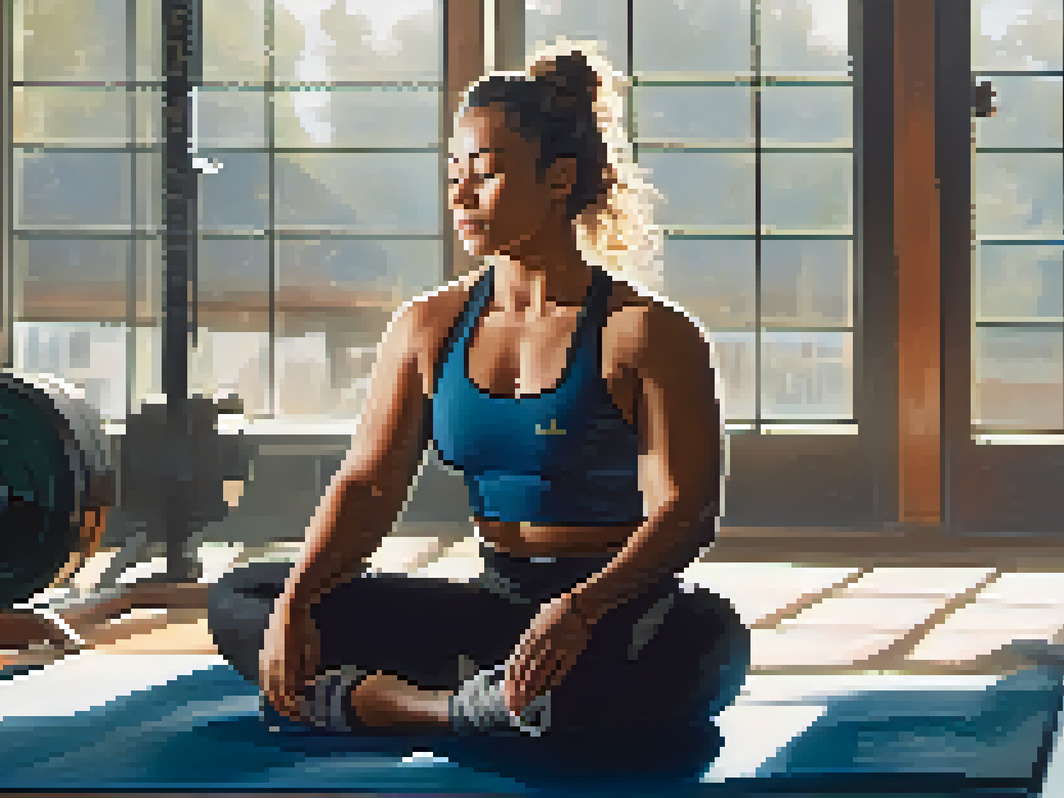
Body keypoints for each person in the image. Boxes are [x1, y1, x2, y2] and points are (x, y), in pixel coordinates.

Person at [207, 43, 750, 741]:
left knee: (705, 646)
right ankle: (453, 711)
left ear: (559, 179)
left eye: (485, 174)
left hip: (613, 612)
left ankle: (385, 703)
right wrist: (298, 602)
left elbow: (685, 512)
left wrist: (581, 609)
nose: (461, 196)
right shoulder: (428, 328)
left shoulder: (645, 335)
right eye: (453, 174)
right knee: (247, 598)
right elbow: (369, 484)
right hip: (496, 607)